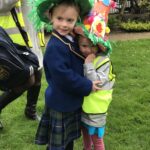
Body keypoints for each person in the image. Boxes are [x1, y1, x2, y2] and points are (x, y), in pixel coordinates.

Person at [29, 0, 101, 149]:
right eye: (59, 19)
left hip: (70, 100)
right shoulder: (55, 46)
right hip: (61, 103)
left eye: (70, 20)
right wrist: (87, 85)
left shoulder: (71, 38)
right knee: (58, 145)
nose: (64, 24)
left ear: (77, 20)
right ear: (50, 17)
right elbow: (64, 77)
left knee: (67, 140)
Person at [74, 0, 116, 149]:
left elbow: (96, 84)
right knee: (85, 134)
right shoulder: (83, 57)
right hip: (85, 107)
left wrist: (89, 65)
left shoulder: (103, 61)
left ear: (99, 46)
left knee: (97, 139)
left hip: (97, 110)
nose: (88, 50)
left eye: (92, 46)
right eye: (84, 46)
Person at [0, 0, 45, 129]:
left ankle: (30, 111)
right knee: (26, 81)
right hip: (13, 42)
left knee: (37, 76)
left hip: (31, 38)